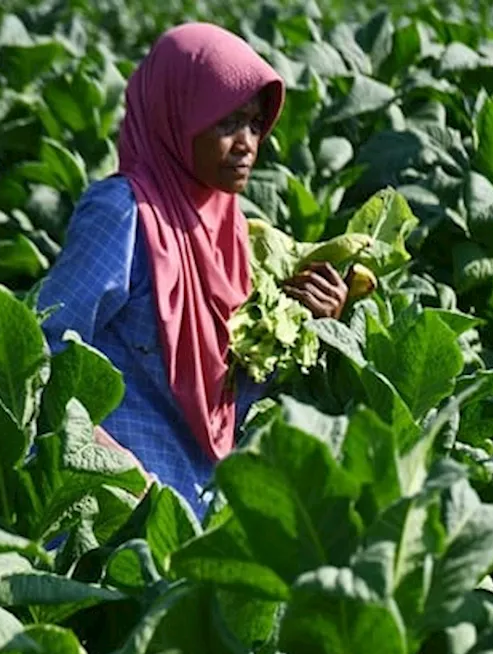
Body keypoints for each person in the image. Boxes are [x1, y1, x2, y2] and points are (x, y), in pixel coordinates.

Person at [35, 22, 349, 516]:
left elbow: (226, 400)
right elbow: (46, 348)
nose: (247, 142)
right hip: (109, 508)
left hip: (200, 503)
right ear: (176, 116)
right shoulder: (124, 212)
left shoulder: (232, 231)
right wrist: (107, 466)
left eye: (254, 123)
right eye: (227, 122)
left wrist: (312, 324)